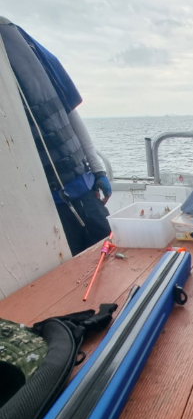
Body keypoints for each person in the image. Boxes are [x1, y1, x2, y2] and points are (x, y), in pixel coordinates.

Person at [0, 18, 112, 256]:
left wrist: (98, 170)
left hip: (84, 190)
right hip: (40, 208)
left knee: (110, 251)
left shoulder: (21, 40)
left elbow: (70, 112)